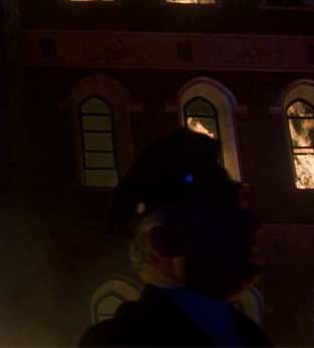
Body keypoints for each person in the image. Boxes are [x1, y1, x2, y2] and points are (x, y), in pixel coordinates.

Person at [80, 127, 272, 347]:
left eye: (242, 211)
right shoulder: (121, 342)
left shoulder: (249, 336)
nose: (254, 226)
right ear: (164, 242)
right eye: (223, 215)